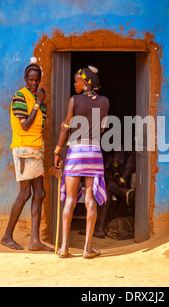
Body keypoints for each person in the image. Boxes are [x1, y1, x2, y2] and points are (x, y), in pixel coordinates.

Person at [54, 66, 109, 258]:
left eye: (77, 81)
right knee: (90, 199)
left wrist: (57, 150)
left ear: (86, 83)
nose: (75, 84)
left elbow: (65, 127)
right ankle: (87, 248)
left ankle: (64, 247)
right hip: (93, 152)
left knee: (70, 199)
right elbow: (101, 129)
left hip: (76, 151)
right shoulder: (104, 102)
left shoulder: (74, 100)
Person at [1, 57, 53, 252]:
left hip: (36, 150)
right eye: (31, 79)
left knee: (39, 193)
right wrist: (38, 103)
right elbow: (25, 124)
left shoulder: (41, 102)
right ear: (25, 78)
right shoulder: (20, 97)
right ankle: (7, 237)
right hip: (24, 150)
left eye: (36, 80)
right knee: (25, 194)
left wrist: (40, 103)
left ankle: (35, 241)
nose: (34, 83)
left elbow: (40, 126)